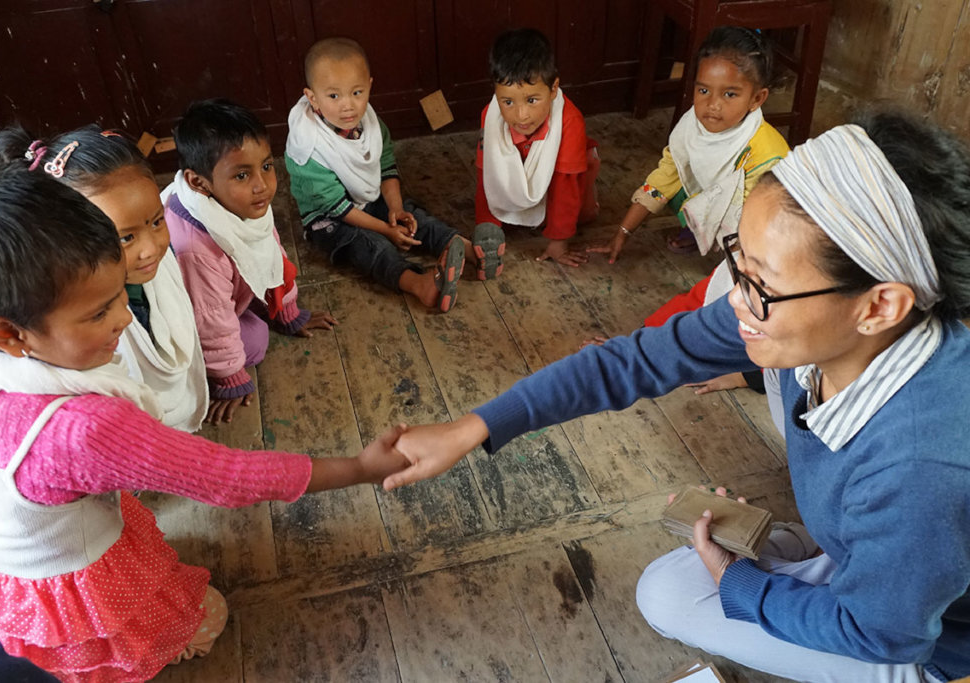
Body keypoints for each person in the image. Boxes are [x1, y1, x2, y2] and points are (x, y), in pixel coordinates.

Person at [382, 112, 970, 682]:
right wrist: (475, 427)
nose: (738, 297)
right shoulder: (822, 326)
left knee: (668, 597)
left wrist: (739, 581)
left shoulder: (920, 465)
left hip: (930, 641)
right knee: (685, 576)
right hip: (890, 565)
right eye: (740, 259)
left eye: (762, 285)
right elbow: (636, 359)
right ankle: (827, 552)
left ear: (879, 305)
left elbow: (882, 633)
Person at [0, 164, 410, 682]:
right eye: (99, 313)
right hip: (65, 576)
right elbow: (226, 477)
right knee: (207, 615)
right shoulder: (82, 429)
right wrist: (359, 467)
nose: (124, 318)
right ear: (10, 333)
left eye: (121, 294)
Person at [0, 125, 209, 432]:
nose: (151, 249)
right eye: (126, 237)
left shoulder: (160, 259)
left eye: (156, 221)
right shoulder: (71, 326)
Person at [285, 37, 497, 310]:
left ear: (370, 86)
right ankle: (420, 284)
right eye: (334, 96)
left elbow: (385, 168)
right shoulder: (308, 145)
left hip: (368, 199)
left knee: (413, 216)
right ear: (312, 97)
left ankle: (469, 250)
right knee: (368, 244)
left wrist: (395, 210)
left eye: (357, 93)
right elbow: (336, 207)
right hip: (330, 217)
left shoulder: (371, 124)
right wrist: (385, 229)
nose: (348, 105)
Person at [164, 99, 336, 425]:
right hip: (190, 322)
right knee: (255, 341)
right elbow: (209, 317)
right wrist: (229, 377)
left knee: (255, 307)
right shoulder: (195, 248)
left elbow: (271, 255)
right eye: (242, 174)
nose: (262, 185)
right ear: (198, 182)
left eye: (267, 166)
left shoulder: (241, 202)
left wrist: (287, 312)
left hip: (218, 295)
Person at [590, 26, 788, 262]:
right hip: (720, 203)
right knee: (676, 186)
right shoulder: (691, 125)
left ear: (757, 99)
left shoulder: (767, 155)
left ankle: (725, 255)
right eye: (704, 90)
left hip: (765, 228)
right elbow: (665, 178)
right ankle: (699, 230)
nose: (712, 104)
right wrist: (622, 233)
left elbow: (754, 221)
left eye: (730, 94)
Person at [475, 28, 601, 268]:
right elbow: (486, 173)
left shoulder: (569, 122)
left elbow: (566, 186)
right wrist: (487, 225)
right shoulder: (490, 116)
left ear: (553, 90)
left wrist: (558, 241)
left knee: (583, 216)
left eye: (532, 100)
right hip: (521, 184)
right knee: (505, 218)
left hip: (566, 181)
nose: (521, 116)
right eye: (508, 102)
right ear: (496, 92)